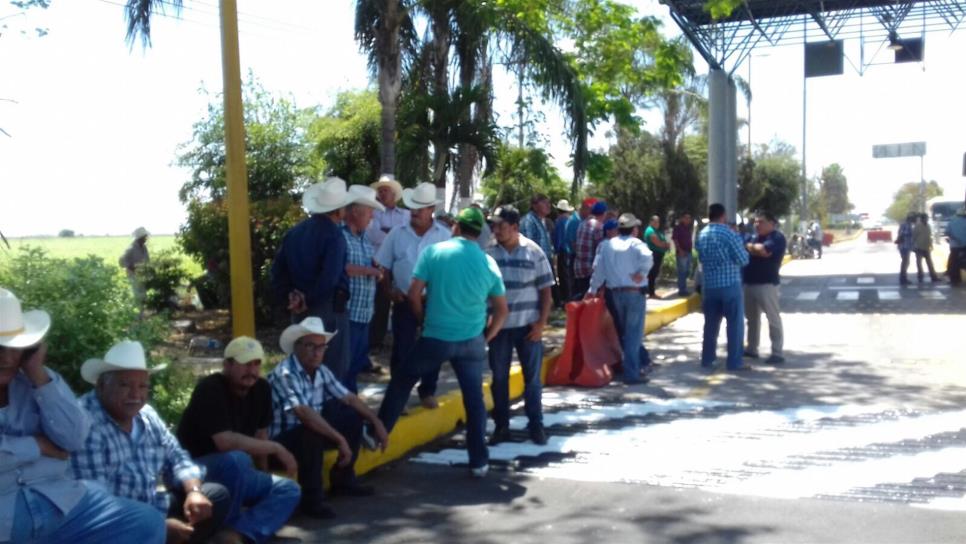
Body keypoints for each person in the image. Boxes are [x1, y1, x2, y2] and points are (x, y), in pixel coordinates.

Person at [0, 289, 166, 544]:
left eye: (15, 347)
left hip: (58, 498)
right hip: (7, 512)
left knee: (145, 523)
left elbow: (75, 437)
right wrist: (38, 445)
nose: (7, 358)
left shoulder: (36, 380)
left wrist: (38, 374)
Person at [377, 207, 509, 478]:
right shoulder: (488, 263)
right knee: (474, 402)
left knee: (402, 380)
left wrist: (422, 319)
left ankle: (377, 433)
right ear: (479, 232)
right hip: (472, 341)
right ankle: (479, 461)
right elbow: (502, 310)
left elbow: (414, 294)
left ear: (457, 227)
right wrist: (489, 335)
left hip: (436, 335)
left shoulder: (435, 252)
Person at [72, 340, 232, 544]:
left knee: (214, 497)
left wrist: (193, 491)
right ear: (102, 385)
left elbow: (177, 457)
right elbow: (96, 505)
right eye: (125, 385)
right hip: (112, 523)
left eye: (142, 386)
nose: (136, 394)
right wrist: (155, 527)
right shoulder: (85, 422)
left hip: (150, 504)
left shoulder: (145, 415)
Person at [176, 337, 301, 544]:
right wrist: (277, 448)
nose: (251, 370)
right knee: (237, 459)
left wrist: (263, 472)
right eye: (245, 364)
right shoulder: (210, 389)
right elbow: (224, 442)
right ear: (227, 364)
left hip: (235, 468)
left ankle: (238, 535)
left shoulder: (261, 388)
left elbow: (261, 435)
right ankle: (224, 529)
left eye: (256, 364)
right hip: (194, 470)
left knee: (288, 489)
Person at [267, 317, 389, 520]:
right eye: (310, 346)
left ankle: (343, 480)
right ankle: (311, 501)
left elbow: (349, 398)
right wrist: (339, 440)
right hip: (281, 443)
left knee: (351, 417)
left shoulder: (320, 371)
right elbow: (304, 414)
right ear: (297, 347)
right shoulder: (285, 374)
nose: (316, 352)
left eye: (321, 347)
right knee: (310, 432)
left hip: (306, 436)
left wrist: (377, 422)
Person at [374, 182, 451, 409]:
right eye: (412, 206)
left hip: (433, 302)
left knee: (433, 348)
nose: (415, 211)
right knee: (402, 349)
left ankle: (428, 390)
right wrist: (389, 291)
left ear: (431, 210)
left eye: (420, 207)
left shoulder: (444, 236)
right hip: (404, 300)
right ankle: (400, 396)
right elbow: (383, 266)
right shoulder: (397, 234)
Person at [271, 176, 353, 381]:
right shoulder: (334, 236)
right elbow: (330, 277)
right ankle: (327, 413)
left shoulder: (294, 233)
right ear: (339, 209)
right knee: (332, 370)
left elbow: (278, 272)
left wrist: (292, 297)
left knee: (302, 366)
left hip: (299, 309)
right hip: (327, 309)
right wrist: (307, 299)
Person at [485, 205, 553, 446]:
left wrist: (540, 325)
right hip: (498, 330)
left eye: (501, 226)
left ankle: (536, 426)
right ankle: (501, 427)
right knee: (499, 379)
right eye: (493, 225)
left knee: (532, 380)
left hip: (528, 328)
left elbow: (546, 292)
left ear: (514, 227)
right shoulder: (488, 253)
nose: (496, 230)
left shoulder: (533, 252)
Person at [586, 213, 653, 384]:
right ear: (634, 229)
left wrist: (592, 289)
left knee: (624, 332)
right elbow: (648, 257)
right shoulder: (636, 244)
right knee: (633, 334)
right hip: (634, 293)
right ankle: (632, 373)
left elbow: (599, 270)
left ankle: (632, 367)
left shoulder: (607, 246)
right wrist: (642, 273)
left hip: (615, 293)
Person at [341, 185, 387, 392]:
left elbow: (367, 265)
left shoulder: (364, 238)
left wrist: (375, 268)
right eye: (369, 213)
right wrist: (369, 271)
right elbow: (340, 268)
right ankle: (343, 410)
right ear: (356, 212)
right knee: (344, 366)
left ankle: (350, 408)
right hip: (347, 312)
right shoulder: (339, 236)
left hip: (364, 313)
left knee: (354, 366)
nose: (371, 218)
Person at [695, 203, 750, 372]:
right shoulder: (729, 234)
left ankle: (708, 359)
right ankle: (734, 362)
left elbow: (701, 258)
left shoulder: (701, 235)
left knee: (710, 325)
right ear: (723, 216)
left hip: (710, 286)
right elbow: (743, 259)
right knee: (734, 324)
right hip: (729, 285)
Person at [366, 175, 409, 361]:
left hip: (398, 264)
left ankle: (391, 339)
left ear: (394, 194)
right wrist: (393, 234)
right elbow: (372, 235)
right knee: (374, 301)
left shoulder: (406, 215)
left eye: (386, 191)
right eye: (380, 190)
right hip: (376, 262)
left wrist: (385, 232)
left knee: (396, 301)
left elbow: (406, 236)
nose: (382, 193)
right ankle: (373, 341)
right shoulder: (372, 213)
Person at [742, 212, 787, 365]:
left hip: (767, 284)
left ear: (772, 223)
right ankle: (752, 348)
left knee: (772, 318)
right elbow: (745, 243)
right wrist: (753, 247)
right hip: (749, 282)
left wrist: (751, 247)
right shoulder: (753, 237)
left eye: (761, 222)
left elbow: (764, 251)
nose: (757, 225)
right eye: (755, 222)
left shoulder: (777, 237)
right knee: (752, 319)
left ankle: (777, 352)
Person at [573, 200, 607, 297]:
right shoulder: (599, 227)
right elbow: (600, 252)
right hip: (590, 271)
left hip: (579, 268)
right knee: (591, 304)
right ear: (604, 214)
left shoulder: (582, 224)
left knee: (581, 299)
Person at [565, 199, 595, 298]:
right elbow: (573, 243)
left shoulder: (582, 220)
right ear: (584, 208)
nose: (592, 213)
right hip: (575, 257)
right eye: (591, 210)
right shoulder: (575, 221)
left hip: (580, 258)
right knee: (577, 290)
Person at [120, 226, 150, 304]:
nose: (146, 238)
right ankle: (138, 312)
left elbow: (147, 260)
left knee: (144, 294)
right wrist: (131, 266)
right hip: (133, 275)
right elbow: (121, 261)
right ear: (140, 238)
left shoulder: (144, 247)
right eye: (144, 237)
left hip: (143, 274)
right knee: (137, 295)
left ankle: (143, 311)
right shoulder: (131, 248)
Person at [552, 199, 575, 304]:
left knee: (563, 275)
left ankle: (566, 298)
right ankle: (570, 296)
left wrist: (556, 250)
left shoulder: (559, 221)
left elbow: (558, 238)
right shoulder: (570, 220)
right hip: (570, 250)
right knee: (569, 274)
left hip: (563, 250)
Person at [644, 215, 671, 298]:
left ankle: (651, 291)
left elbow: (663, 241)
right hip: (654, 254)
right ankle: (651, 293)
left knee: (654, 273)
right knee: (652, 273)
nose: (657, 223)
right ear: (651, 222)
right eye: (655, 221)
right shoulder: (650, 231)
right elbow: (658, 243)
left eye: (658, 222)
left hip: (658, 254)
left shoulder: (656, 230)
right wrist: (665, 245)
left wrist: (665, 244)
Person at [912, 213, 941, 283]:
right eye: (925, 218)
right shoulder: (917, 226)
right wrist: (913, 246)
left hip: (926, 246)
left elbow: (929, 236)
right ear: (922, 219)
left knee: (930, 263)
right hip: (919, 247)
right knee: (919, 263)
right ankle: (920, 276)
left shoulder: (928, 226)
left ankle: (933, 276)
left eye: (927, 218)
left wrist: (931, 245)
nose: (927, 219)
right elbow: (913, 237)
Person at [672, 212, 694, 297]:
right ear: (682, 219)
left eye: (689, 218)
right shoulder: (678, 228)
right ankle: (682, 290)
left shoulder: (688, 228)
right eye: (686, 218)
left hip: (688, 252)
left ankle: (683, 288)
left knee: (687, 271)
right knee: (682, 271)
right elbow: (675, 239)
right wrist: (680, 250)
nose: (688, 220)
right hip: (681, 253)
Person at [946, 206, 966, 286]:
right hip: (964, 246)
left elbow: (947, 232)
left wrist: (954, 238)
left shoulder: (951, 222)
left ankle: (954, 279)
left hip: (954, 246)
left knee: (953, 263)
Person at [895, 212, 916, 286]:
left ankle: (903, 277)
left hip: (905, 246)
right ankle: (903, 278)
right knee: (905, 262)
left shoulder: (905, 224)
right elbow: (903, 234)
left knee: (906, 262)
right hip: (905, 246)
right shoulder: (907, 225)